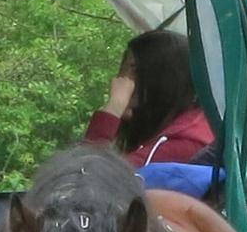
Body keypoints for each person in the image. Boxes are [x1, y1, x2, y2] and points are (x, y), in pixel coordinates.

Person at [84, 29, 223, 198]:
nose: (119, 81)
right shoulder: (196, 127)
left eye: (133, 70)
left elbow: (88, 183)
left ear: (163, 79)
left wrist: (112, 110)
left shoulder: (181, 144)